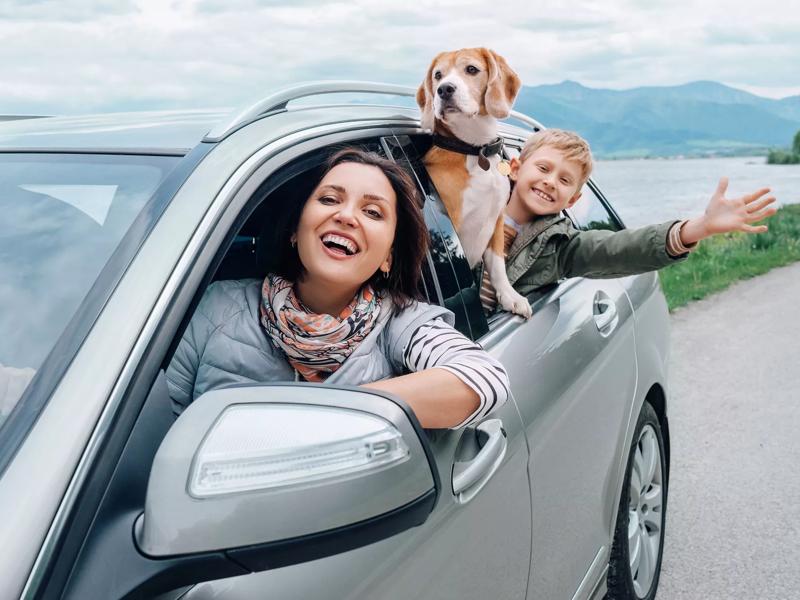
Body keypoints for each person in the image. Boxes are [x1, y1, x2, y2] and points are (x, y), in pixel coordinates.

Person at [167, 148, 509, 429]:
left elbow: (484, 378)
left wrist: (316, 422)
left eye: (373, 212)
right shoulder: (216, 308)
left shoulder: (400, 323)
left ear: (388, 257)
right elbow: (157, 432)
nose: (347, 216)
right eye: (329, 199)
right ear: (294, 231)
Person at [480, 129, 777, 312]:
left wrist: (700, 227)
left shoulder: (560, 245)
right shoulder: (470, 207)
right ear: (515, 168)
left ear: (572, 200)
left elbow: (620, 247)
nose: (549, 182)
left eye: (564, 179)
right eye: (543, 168)